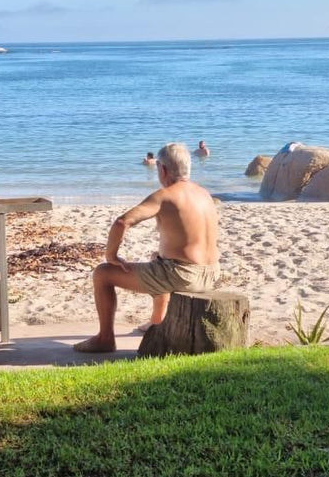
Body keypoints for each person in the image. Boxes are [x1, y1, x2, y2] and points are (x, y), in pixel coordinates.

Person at [75, 142, 220, 353]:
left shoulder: (165, 195)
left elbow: (122, 222)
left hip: (183, 275)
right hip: (212, 272)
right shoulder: (204, 194)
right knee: (157, 258)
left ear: (162, 169)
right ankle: (157, 320)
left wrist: (111, 256)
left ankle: (105, 339)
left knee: (102, 274)